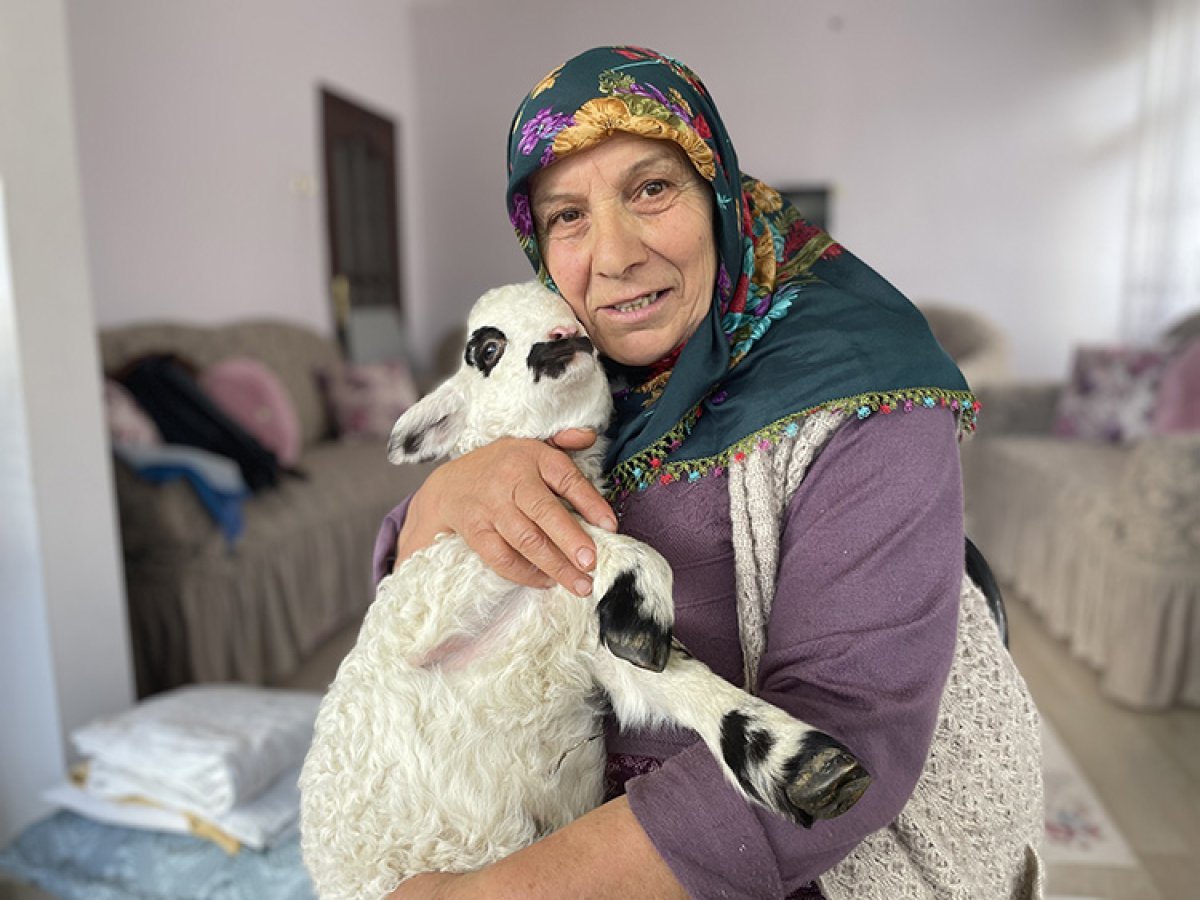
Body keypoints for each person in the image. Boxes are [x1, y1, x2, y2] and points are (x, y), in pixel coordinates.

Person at [379, 45, 1043, 900]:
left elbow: (843, 741)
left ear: (718, 193)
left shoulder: (867, 390)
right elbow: (410, 595)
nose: (613, 255)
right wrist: (445, 497)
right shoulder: (566, 370)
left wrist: (486, 896)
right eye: (567, 215)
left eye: (651, 189)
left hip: (797, 855)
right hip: (549, 812)